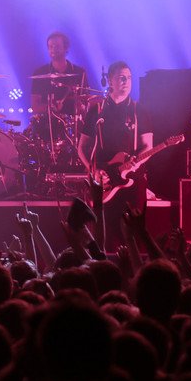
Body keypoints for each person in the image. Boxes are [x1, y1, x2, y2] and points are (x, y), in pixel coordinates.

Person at [77, 61, 152, 248]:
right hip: (104, 182)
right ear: (110, 81)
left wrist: (135, 163)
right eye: (121, 78)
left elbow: (147, 146)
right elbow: (82, 147)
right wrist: (93, 170)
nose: (126, 82)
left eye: (129, 78)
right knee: (104, 237)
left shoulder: (139, 110)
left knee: (133, 237)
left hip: (132, 181)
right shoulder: (96, 110)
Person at [29, 31, 88, 116]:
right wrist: (51, 108)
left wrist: (82, 107)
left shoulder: (79, 72)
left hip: (72, 121)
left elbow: (85, 100)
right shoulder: (39, 73)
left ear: (66, 48)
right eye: (50, 47)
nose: (53, 49)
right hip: (47, 121)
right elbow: (35, 106)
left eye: (57, 46)